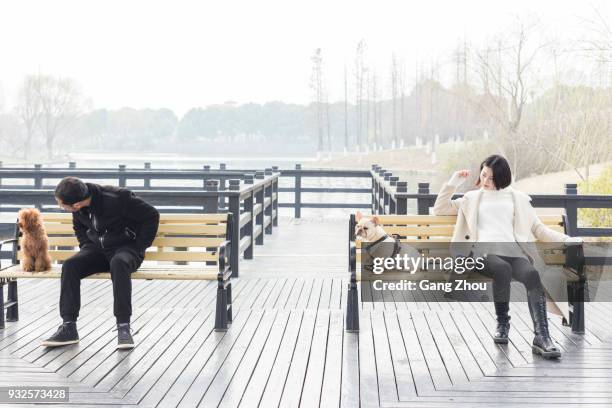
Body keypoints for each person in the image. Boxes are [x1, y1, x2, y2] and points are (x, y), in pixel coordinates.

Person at [433, 154, 582, 359]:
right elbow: (439, 210)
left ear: (503, 178)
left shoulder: (518, 199)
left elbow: (539, 229)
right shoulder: (471, 198)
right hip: (481, 253)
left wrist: (568, 239)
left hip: (513, 253)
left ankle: (542, 337)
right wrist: (453, 182)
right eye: (483, 175)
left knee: (532, 275)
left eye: (492, 178)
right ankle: (503, 324)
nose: (485, 181)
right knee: (501, 269)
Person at [42, 177, 160, 349]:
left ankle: (123, 328)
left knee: (118, 263)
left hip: (125, 250)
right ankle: (69, 327)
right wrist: (85, 246)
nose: (61, 207)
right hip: (97, 250)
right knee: (70, 265)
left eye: (62, 205)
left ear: (75, 204)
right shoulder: (79, 208)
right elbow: (80, 228)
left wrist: (139, 245)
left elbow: (151, 215)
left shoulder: (119, 198)